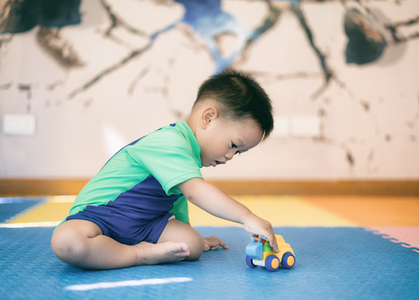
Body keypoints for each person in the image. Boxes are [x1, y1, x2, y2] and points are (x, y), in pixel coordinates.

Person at [51, 68, 279, 270]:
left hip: (147, 224)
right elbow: (194, 191)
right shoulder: (170, 141)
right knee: (68, 242)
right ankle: (138, 254)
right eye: (233, 145)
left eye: (238, 152)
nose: (231, 156)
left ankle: (119, 250)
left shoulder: (188, 157)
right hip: (101, 216)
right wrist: (246, 217)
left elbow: (175, 200)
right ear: (208, 118)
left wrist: (195, 235)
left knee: (191, 246)